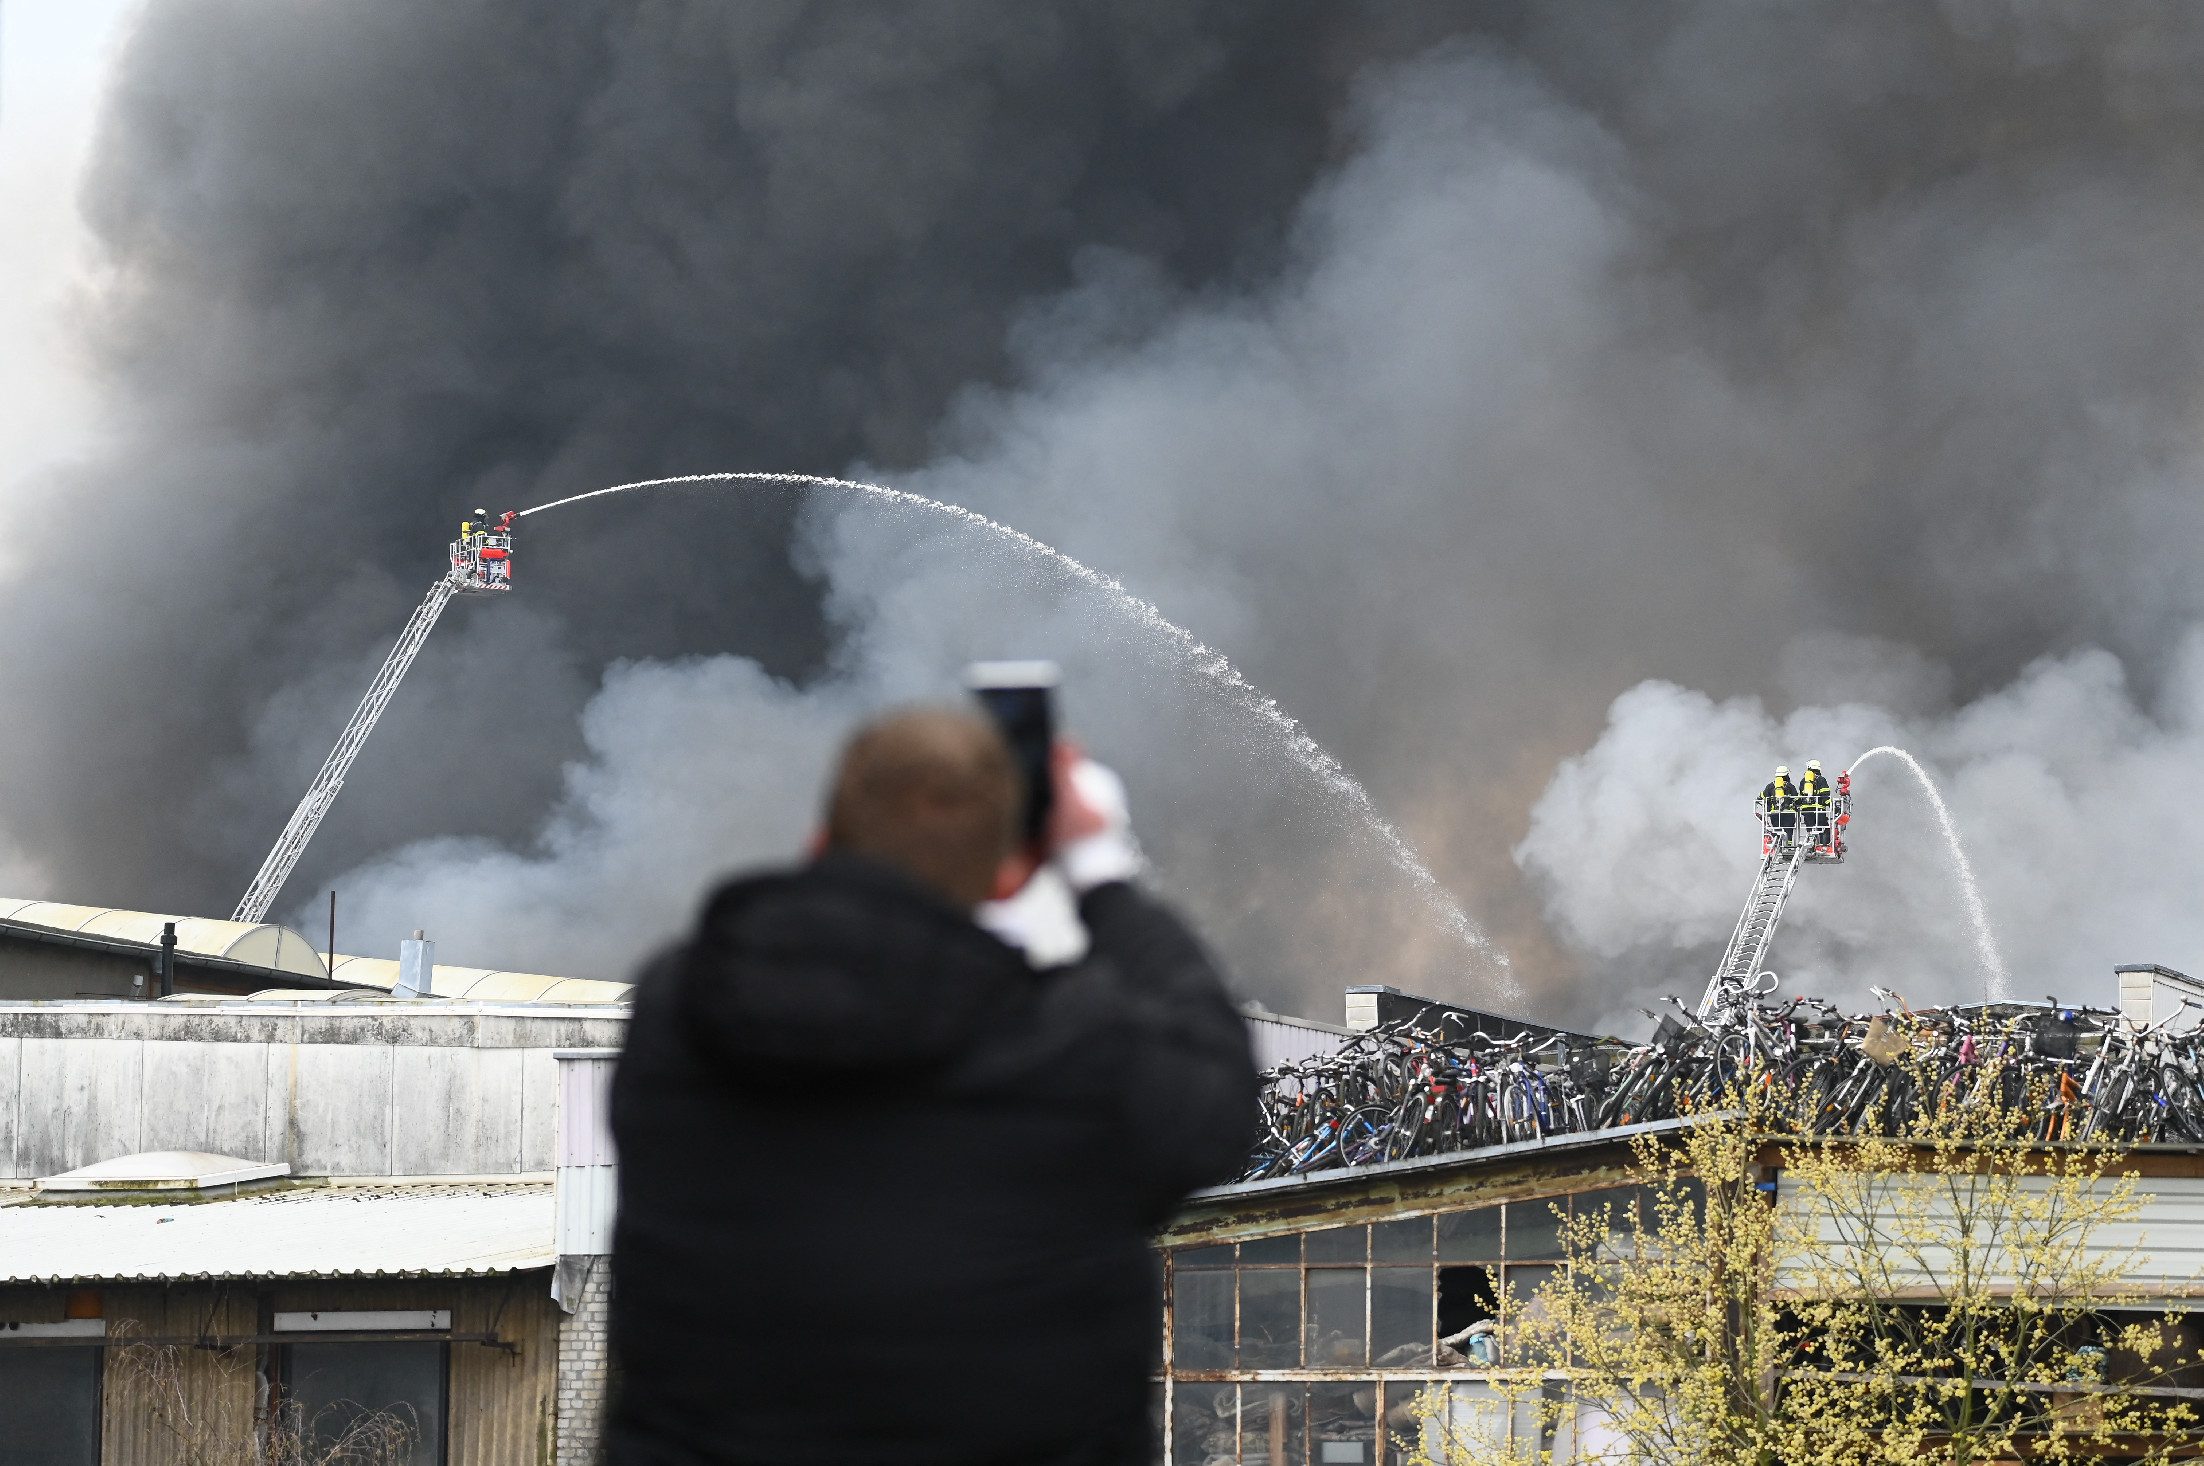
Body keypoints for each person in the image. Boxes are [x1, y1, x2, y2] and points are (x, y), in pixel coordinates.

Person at [607, 705, 1260, 1466]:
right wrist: (1101, 874)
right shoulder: (1072, 1047)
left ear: (822, 841)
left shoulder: (674, 1016)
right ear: (1011, 871)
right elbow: (1216, 1096)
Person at [1796, 759, 1833, 850]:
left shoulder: (1803, 781)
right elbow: (1825, 795)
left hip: (1806, 810)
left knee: (1810, 828)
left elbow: (1800, 796)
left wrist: (1797, 805)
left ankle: (1810, 844)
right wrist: (1831, 805)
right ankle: (1823, 846)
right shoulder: (1821, 780)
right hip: (1818, 809)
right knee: (1822, 826)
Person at [1759, 764, 1797, 848]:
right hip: (1788, 813)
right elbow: (1796, 798)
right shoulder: (1790, 786)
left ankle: (1778, 846)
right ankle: (1788, 846)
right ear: (1787, 775)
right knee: (1788, 830)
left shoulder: (1770, 786)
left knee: (1777, 830)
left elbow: (1762, 796)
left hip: (1775, 814)